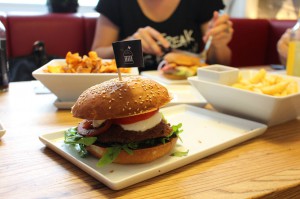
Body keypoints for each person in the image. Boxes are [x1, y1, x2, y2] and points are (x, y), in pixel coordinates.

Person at [91, 0, 233, 71]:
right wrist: (129, 46)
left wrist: (218, 45)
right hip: (130, 89)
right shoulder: (114, 3)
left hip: (191, 92)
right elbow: (97, 56)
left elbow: (221, 64)